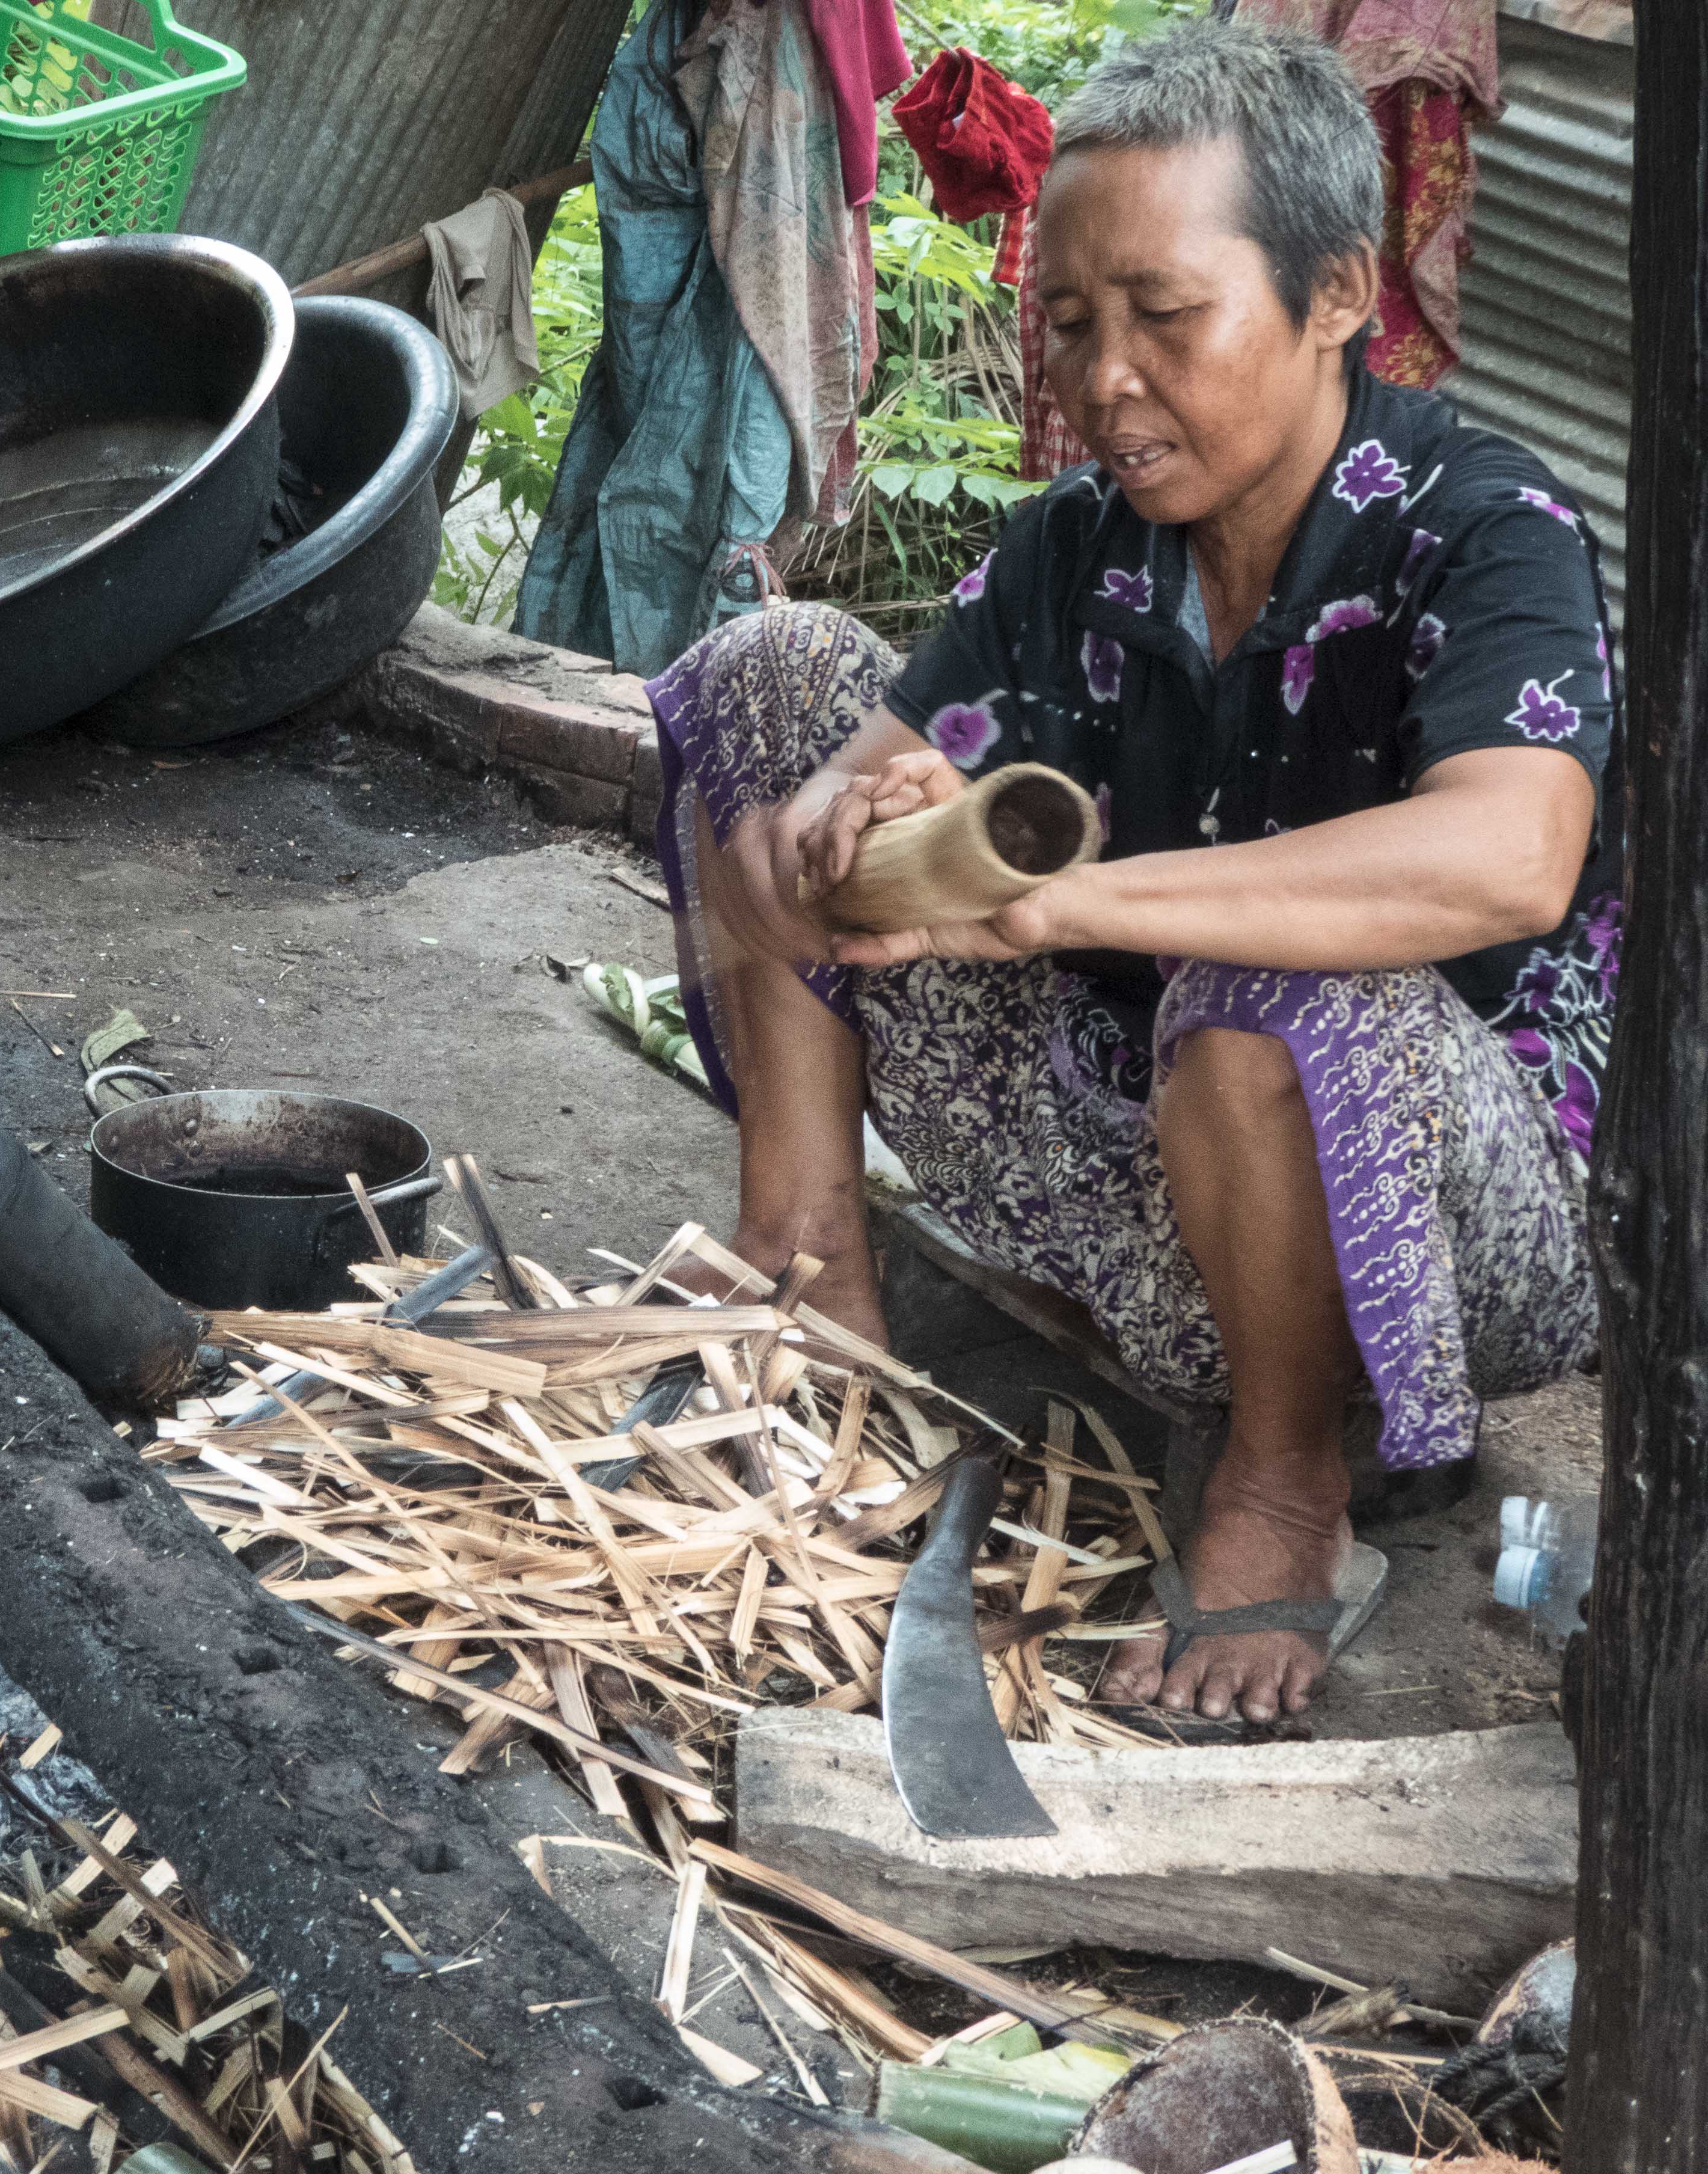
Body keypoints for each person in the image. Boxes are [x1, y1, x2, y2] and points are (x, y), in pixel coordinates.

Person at [651, 19, 1616, 1724]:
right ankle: (803, 1271)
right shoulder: (1074, 548)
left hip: (1446, 1247)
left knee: (1260, 966)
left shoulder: (1481, 522)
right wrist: (844, 828)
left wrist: (1068, 905)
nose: (1105, 382)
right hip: (1136, 1194)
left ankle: (1283, 1479)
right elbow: (886, 756)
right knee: (766, 673)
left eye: (1164, 319)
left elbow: (1514, 852)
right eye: (1075, 325)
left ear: (1335, 296)